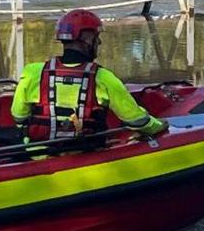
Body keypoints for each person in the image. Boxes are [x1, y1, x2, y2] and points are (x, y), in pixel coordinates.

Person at [9, 9, 166, 142]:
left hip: (37, 154)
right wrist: (160, 125)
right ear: (87, 39)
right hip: (85, 152)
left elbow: (19, 117)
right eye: (97, 38)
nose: (99, 43)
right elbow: (137, 121)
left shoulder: (32, 72)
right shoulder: (103, 78)